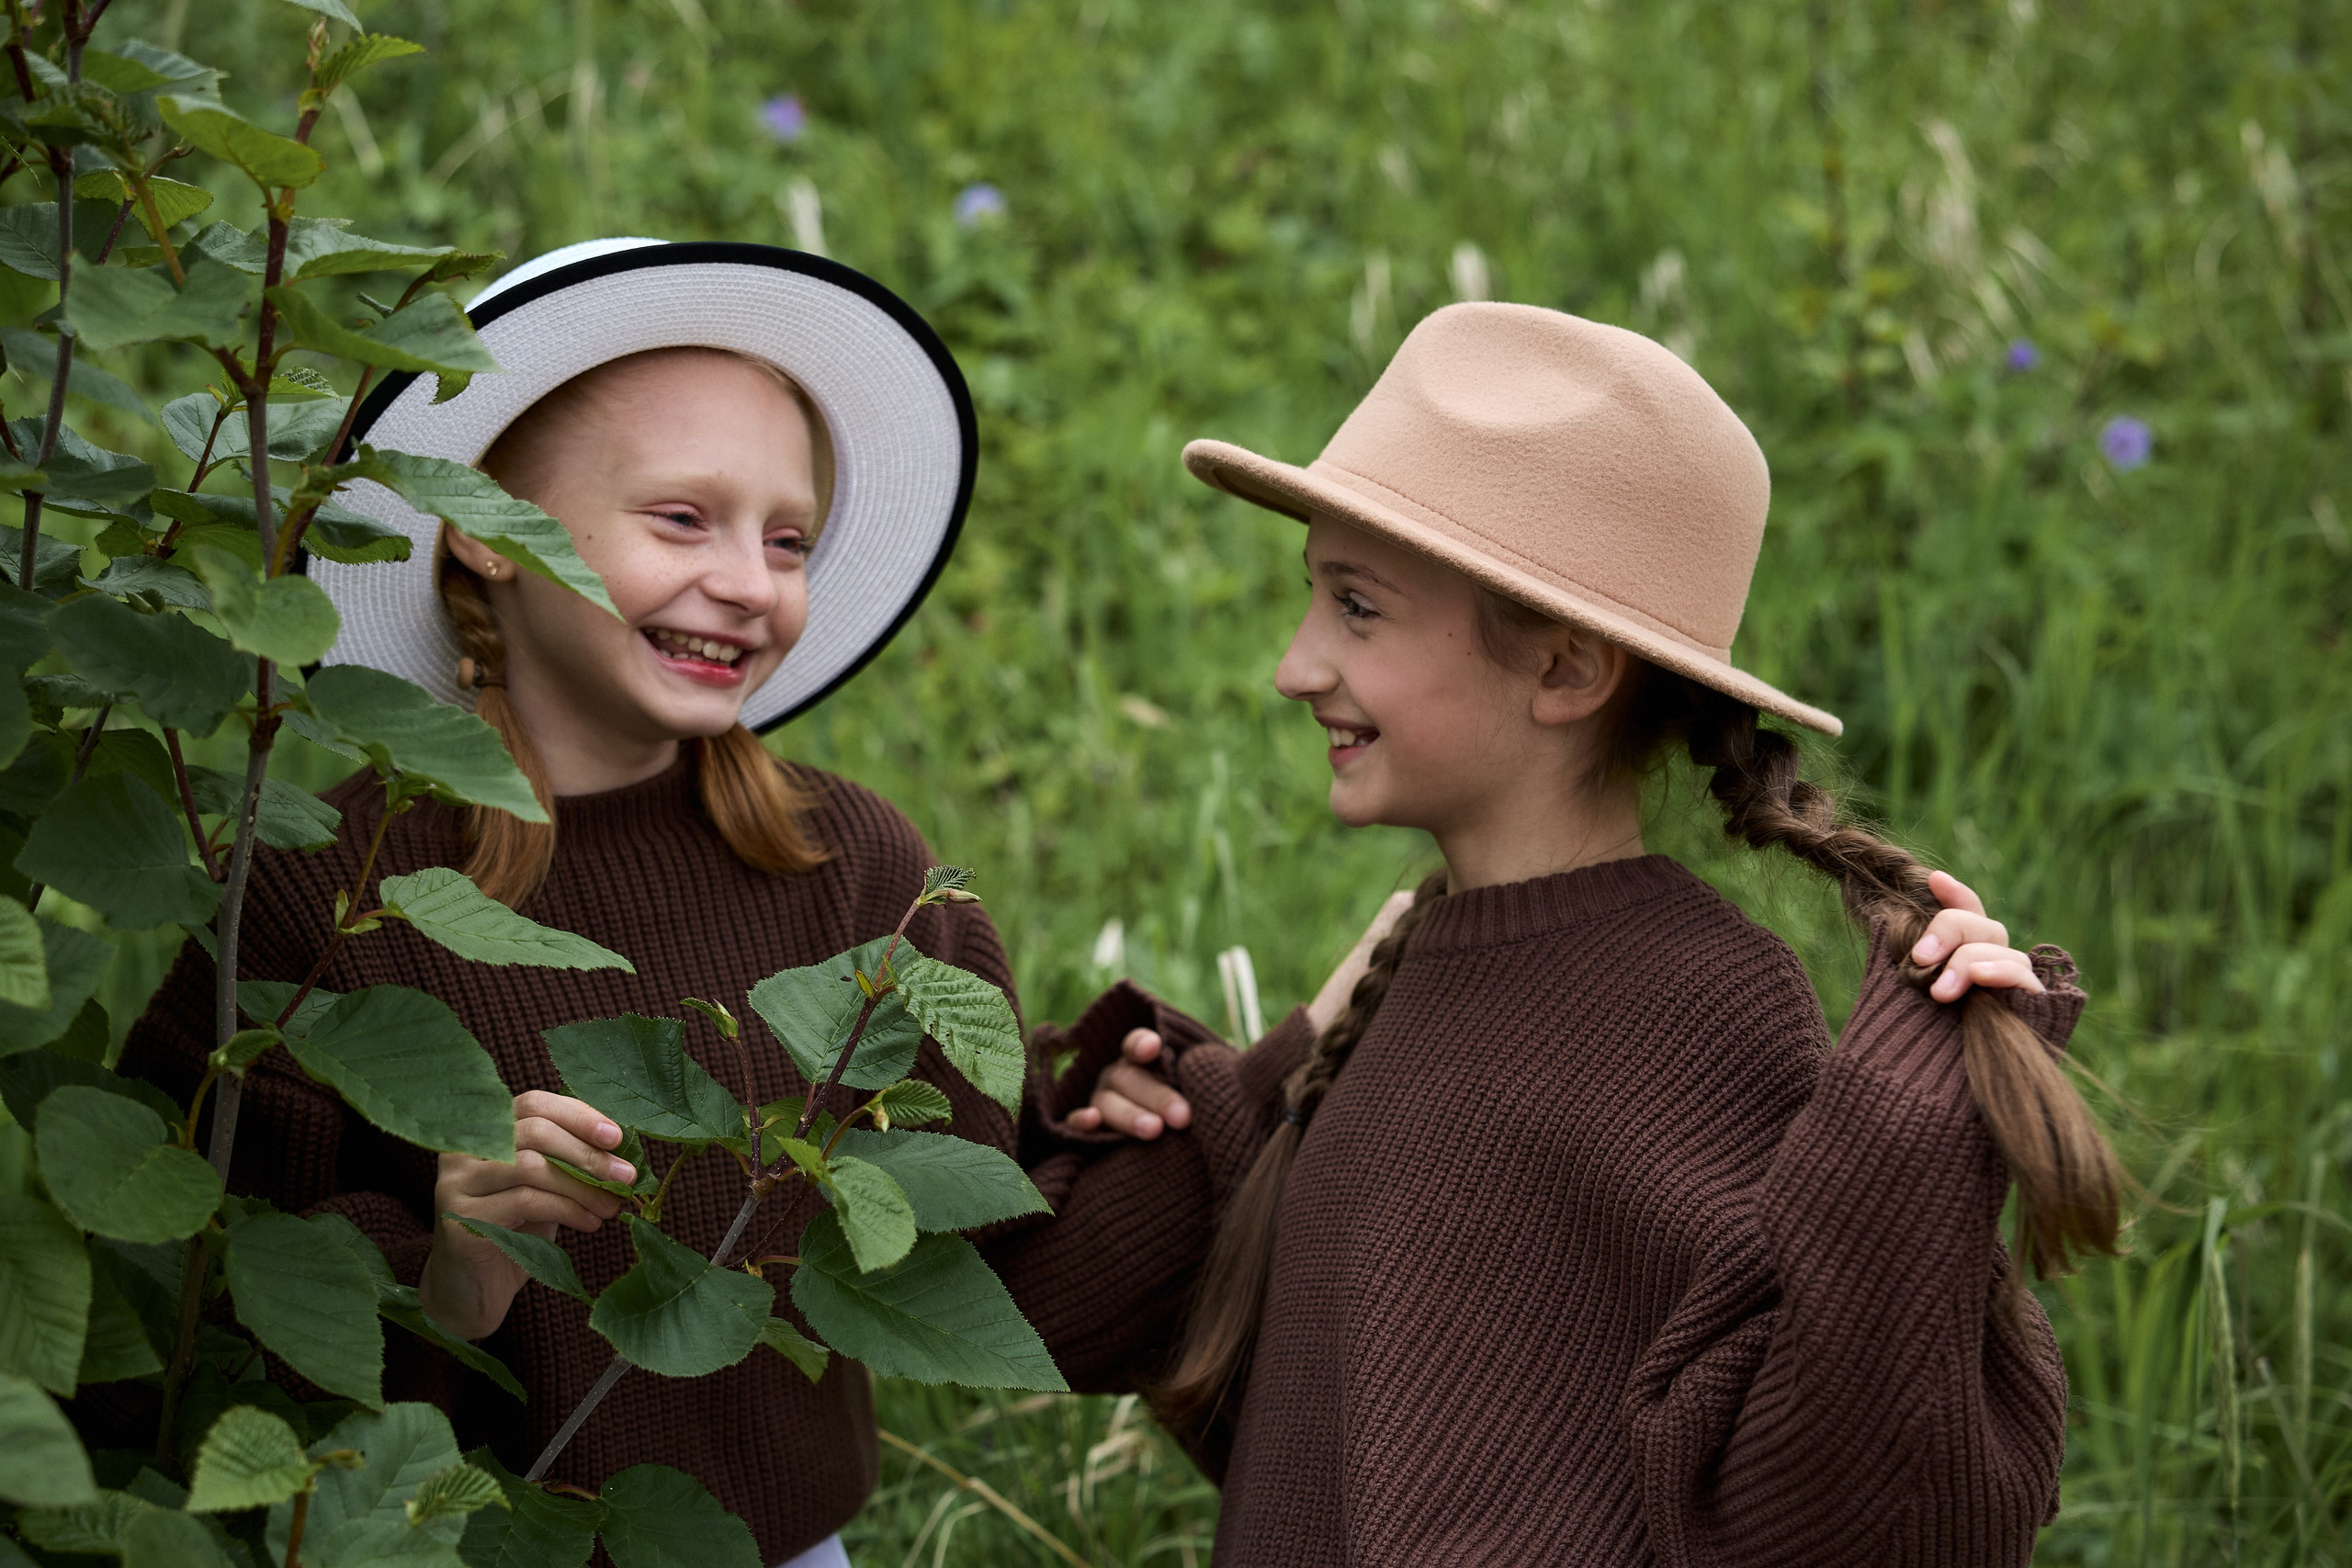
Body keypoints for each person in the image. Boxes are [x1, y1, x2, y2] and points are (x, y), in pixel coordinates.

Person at [997, 303, 2120, 1566]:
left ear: (1568, 672)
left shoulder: (1696, 1012)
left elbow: (1843, 1505)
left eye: (1357, 609)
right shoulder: (1409, 971)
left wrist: (1907, 1147)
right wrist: (1255, 1082)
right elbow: (1078, 1325)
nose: (1295, 665)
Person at [119, 240, 1005, 1568]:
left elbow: (987, 1181)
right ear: (487, 528)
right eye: (682, 519)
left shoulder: (853, 865)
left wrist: (1189, 1085)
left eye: (787, 538)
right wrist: (448, 1272)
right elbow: (186, 1314)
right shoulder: (329, 903)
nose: (752, 584)